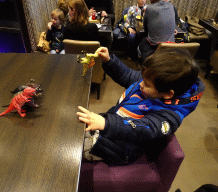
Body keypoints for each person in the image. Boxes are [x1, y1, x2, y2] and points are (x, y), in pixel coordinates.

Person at [76, 47, 205, 165]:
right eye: (142, 78)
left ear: (168, 94)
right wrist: (110, 61)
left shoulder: (169, 116)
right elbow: (128, 75)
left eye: (147, 84)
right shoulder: (152, 80)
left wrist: (106, 124)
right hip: (111, 127)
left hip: (121, 149)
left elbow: (141, 129)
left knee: (73, 148)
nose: (141, 84)